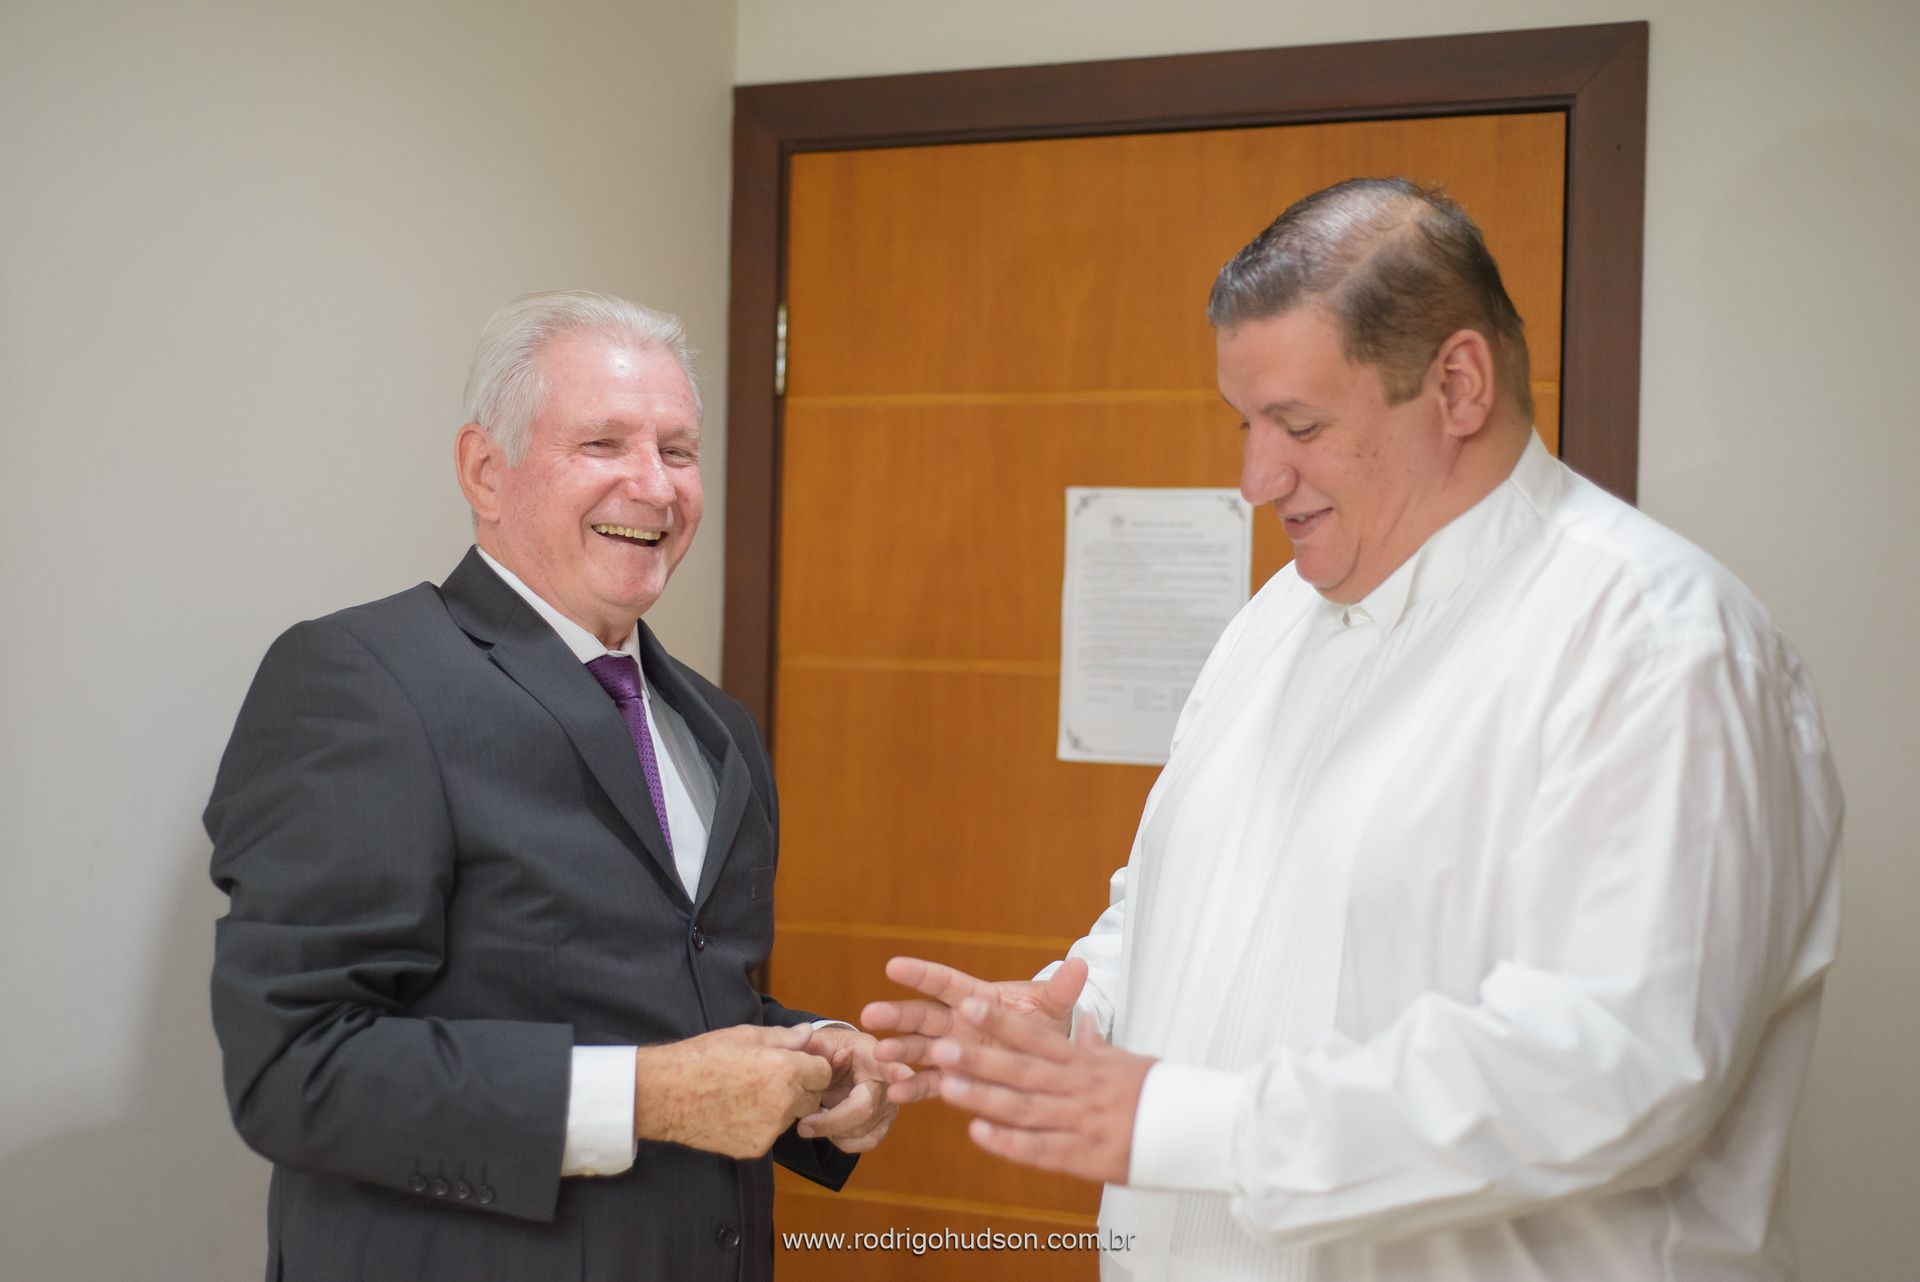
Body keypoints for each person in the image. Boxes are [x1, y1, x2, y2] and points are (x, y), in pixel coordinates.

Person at [864, 179, 1843, 1280]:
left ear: (1458, 385)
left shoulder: (1658, 647)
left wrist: (1187, 1120)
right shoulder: (1271, 624)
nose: (1253, 479)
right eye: (1246, 423)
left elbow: (1625, 1066)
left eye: (1300, 424)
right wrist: (1070, 1020)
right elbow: (1181, 910)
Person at [207, 290, 899, 1282]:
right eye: (605, 444)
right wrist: (648, 1098)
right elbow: (294, 1069)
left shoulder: (716, 726)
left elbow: (667, 997)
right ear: (486, 471)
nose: (653, 487)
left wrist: (818, 1057)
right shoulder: (362, 679)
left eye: (679, 449)